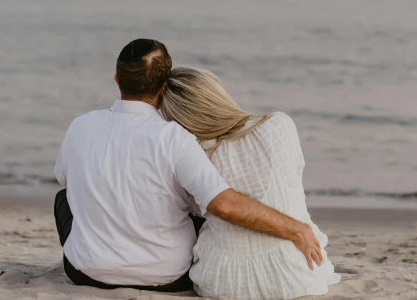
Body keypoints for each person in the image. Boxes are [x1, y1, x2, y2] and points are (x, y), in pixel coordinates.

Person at [53, 39, 323, 292]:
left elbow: (66, 180)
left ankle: (101, 254)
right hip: (168, 278)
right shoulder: (175, 137)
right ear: (163, 86)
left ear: (116, 79)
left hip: (86, 273)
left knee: (65, 198)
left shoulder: (80, 126)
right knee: (194, 206)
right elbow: (225, 205)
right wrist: (297, 229)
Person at [160, 66, 340, 300]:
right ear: (216, 93)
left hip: (224, 282)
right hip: (298, 273)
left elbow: (198, 210)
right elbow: (293, 182)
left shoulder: (192, 155)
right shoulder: (278, 126)